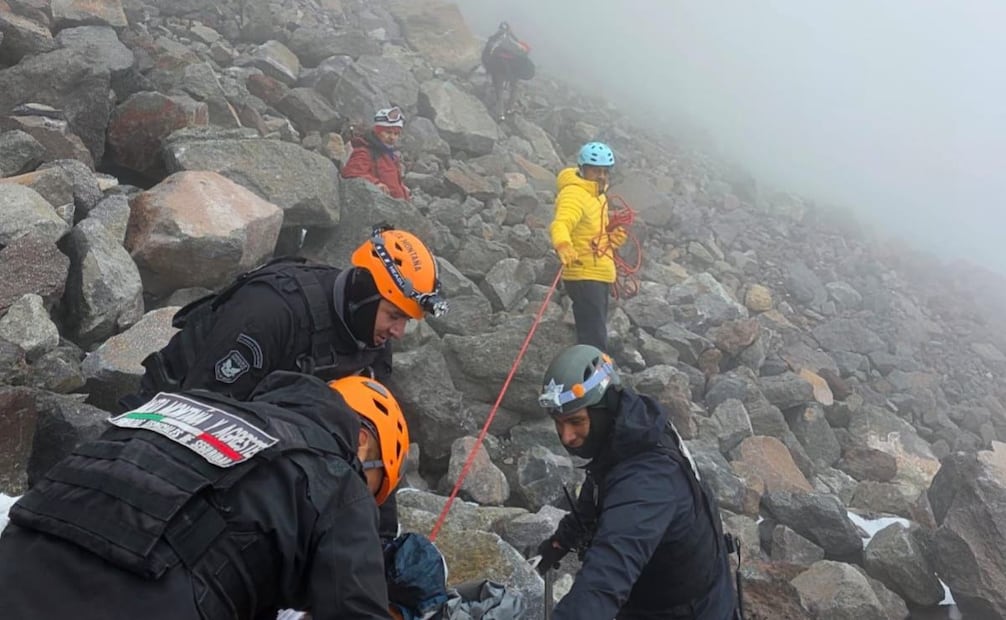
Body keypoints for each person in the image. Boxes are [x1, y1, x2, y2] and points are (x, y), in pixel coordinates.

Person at [0, 371, 410, 619]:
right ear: (361, 442)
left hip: (19, 557)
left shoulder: (188, 403)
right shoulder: (338, 477)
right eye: (375, 487)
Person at [533, 345, 740, 620]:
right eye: (558, 424)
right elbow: (599, 489)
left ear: (602, 409)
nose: (566, 436)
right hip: (674, 587)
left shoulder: (647, 481)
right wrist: (561, 541)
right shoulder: (632, 428)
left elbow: (605, 579)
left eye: (575, 421)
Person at [550, 142, 627, 351]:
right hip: (584, 274)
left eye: (605, 171)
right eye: (596, 170)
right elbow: (561, 223)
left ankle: (590, 375)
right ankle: (591, 378)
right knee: (593, 335)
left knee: (594, 330)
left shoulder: (597, 196)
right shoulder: (574, 194)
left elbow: (588, 232)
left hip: (597, 273)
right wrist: (563, 245)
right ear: (582, 169)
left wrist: (610, 239)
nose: (601, 176)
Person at [341, 106, 411, 201]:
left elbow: (394, 182)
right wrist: (375, 183)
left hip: (397, 208)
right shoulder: (365, 151)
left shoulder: (391, 155)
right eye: (388, 132)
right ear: (377, 131)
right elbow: (351, 172)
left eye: (396, 134)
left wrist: (404, 191)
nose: (392, 137)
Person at [481, 21, 534, 121]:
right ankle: (510, 108)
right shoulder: (514, 41)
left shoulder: (496, 39)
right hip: (513, 71)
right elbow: (524, 50)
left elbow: (488, 53)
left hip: (499, 70)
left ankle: (501, 114)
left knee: (499, 91)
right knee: (514, 88)